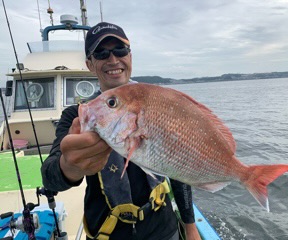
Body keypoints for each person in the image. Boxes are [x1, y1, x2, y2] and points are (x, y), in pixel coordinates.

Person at [41, 22, 201, 240]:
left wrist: (190, 226)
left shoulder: (156, 105)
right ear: (89, 63)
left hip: (164, 226)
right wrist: (69, 167)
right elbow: (50, 178)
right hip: (109, 233)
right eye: (101, 52)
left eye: (120, 50)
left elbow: (178, 169)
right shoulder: (78, 115)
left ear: (130, 57)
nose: (113, 59)